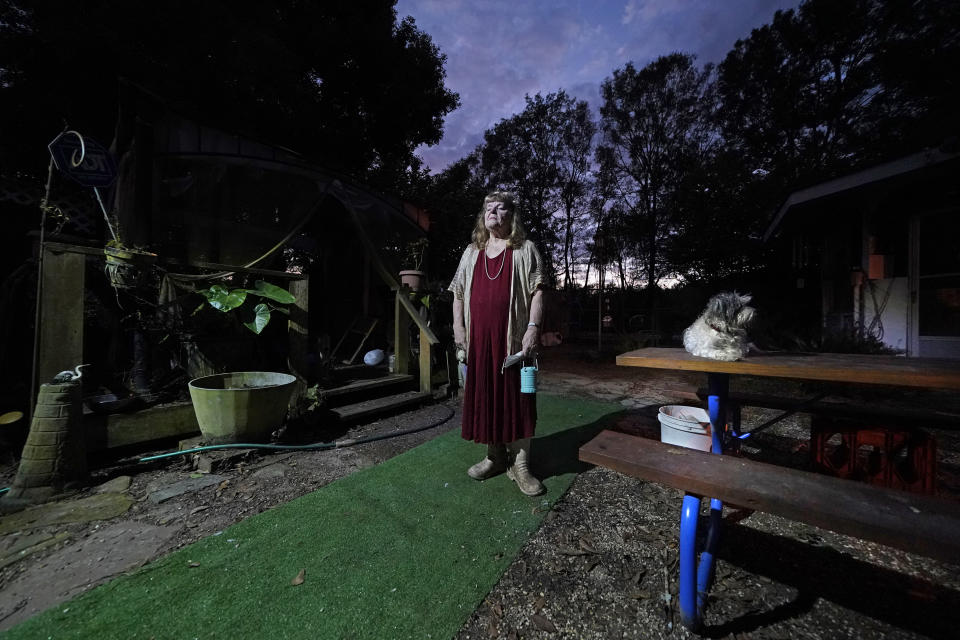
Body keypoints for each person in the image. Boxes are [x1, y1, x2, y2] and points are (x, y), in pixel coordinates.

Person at [448, 191, 546, 496]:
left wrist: (533, 328)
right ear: (483, 216)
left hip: (515, 344)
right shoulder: (471, 252)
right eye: (489, 207)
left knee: (521, 399)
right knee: (487, 398)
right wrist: (458, 328)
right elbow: (458, 293)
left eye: (501, 207)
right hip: (479, 343)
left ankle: (520, 465)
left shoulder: (525, 249)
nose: (493, 211)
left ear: (511, 216)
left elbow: (538, 292)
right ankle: (494, 456)